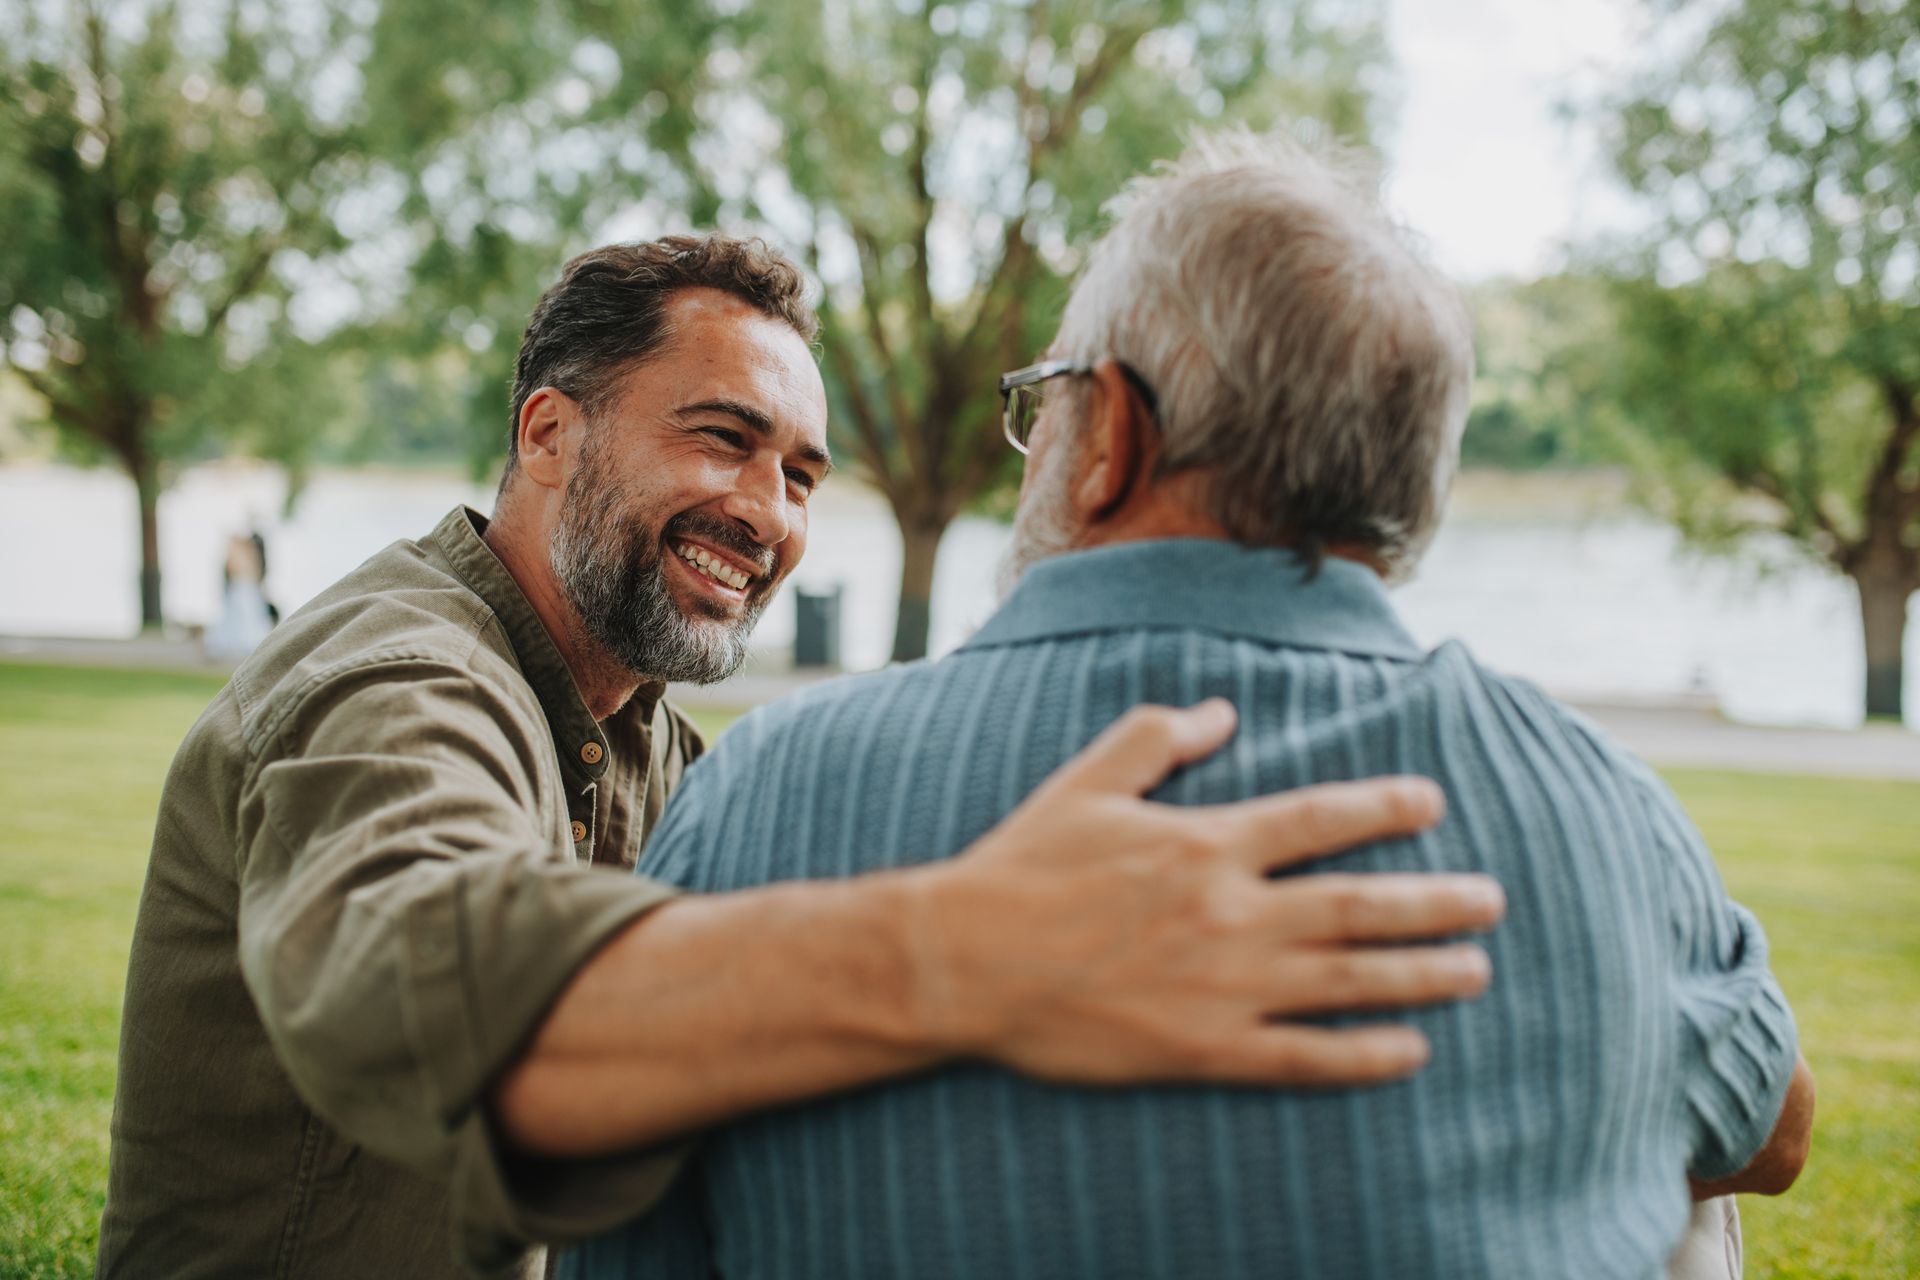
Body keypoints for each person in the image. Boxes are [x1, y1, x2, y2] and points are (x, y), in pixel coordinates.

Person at [97, 235, 1509, 1279]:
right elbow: (428, 974)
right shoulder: (397, 680)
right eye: (725, 440)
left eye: (803, 475)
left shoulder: (648, 739)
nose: (766, 514)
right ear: (547, 434)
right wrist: (978, 950)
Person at [569, 132, 1814, 1280]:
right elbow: (1778, 1117)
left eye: (1046, 395)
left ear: (1111, 434)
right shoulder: (1600, 805)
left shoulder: (763, 792)